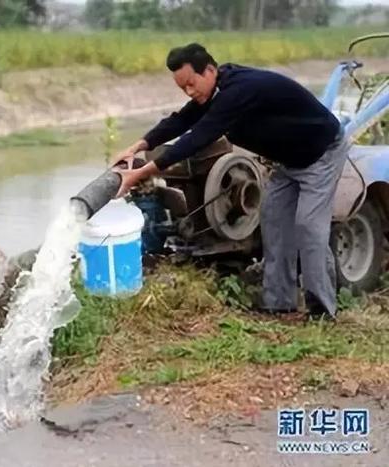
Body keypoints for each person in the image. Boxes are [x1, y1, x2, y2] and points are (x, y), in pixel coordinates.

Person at [111, 43, 347, 320]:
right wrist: (138, 146)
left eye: (191, 84)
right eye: (182, 88)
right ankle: (278, 303)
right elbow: (182, 121)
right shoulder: (213, 92)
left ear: (210, 70)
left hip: (321, 154)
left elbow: (198, 136)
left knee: (308, 227)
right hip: (290, 161)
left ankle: (322, 311)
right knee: (273, 220)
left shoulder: (239, 91)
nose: (189, 92)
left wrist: (141, 173)